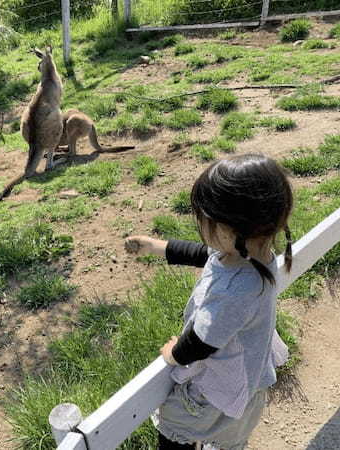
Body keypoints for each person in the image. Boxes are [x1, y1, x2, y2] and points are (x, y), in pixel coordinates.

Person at [125, 154, 293, 450]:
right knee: (232, 435)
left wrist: (173, 354)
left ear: (230, 230)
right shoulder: (255, 251)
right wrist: (157, 247)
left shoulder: (235, 290)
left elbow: (202, 341)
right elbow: (205, 254)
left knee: (175, 428)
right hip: (249, 374)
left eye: (203, 218)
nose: (200, 224)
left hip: (215, 391)